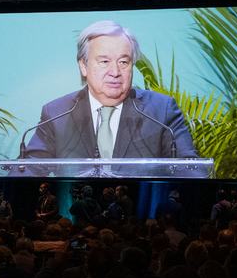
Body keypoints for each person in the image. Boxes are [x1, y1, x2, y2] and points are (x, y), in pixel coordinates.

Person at [18, 21, 200, 174]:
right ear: (83, 66)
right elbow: (27, 169)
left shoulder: (161, 111)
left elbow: (190, 169)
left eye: (123, 62)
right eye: (104, 62)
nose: (115, 72)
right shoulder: (57, 113)